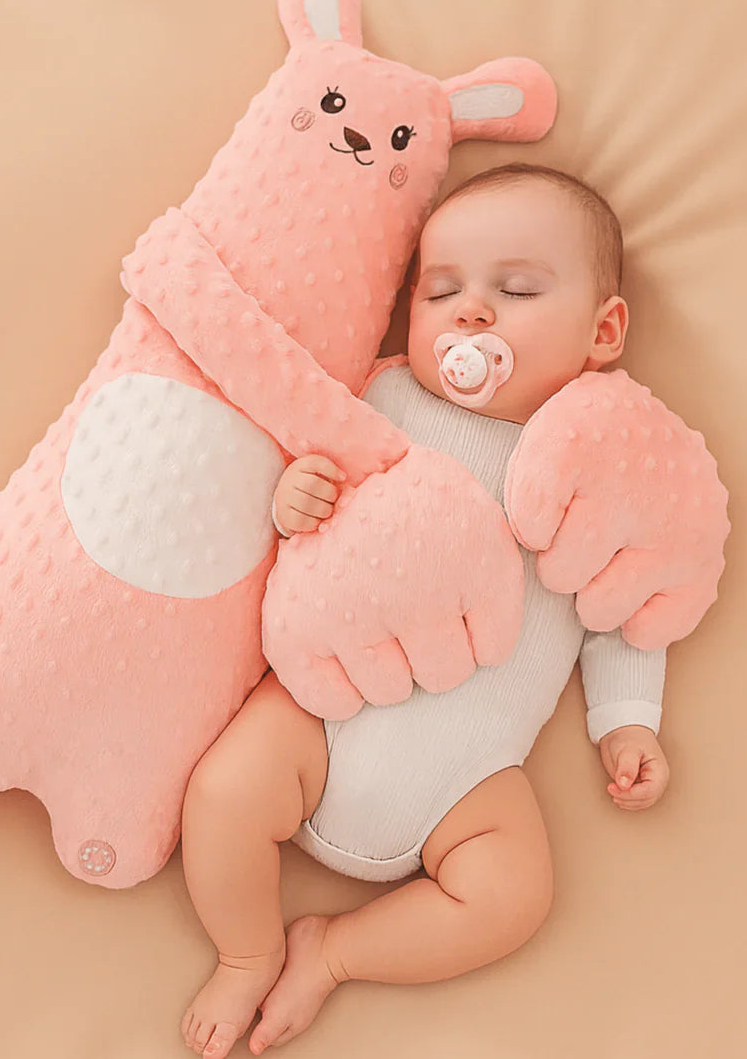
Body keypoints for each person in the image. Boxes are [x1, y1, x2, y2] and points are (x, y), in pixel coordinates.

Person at [179, 163, 672, 1058]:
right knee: (222, 792)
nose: (471, 312)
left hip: (467, 778)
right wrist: (296, 497)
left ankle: (335, 954)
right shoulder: (387, 398)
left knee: (514, 896)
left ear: (603, 331)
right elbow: (319, 492)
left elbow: (622, 602)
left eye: (516, 290)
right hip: (325, 714)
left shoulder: (601, 459)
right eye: (440, 291)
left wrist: (627, 720)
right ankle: (247, 951)